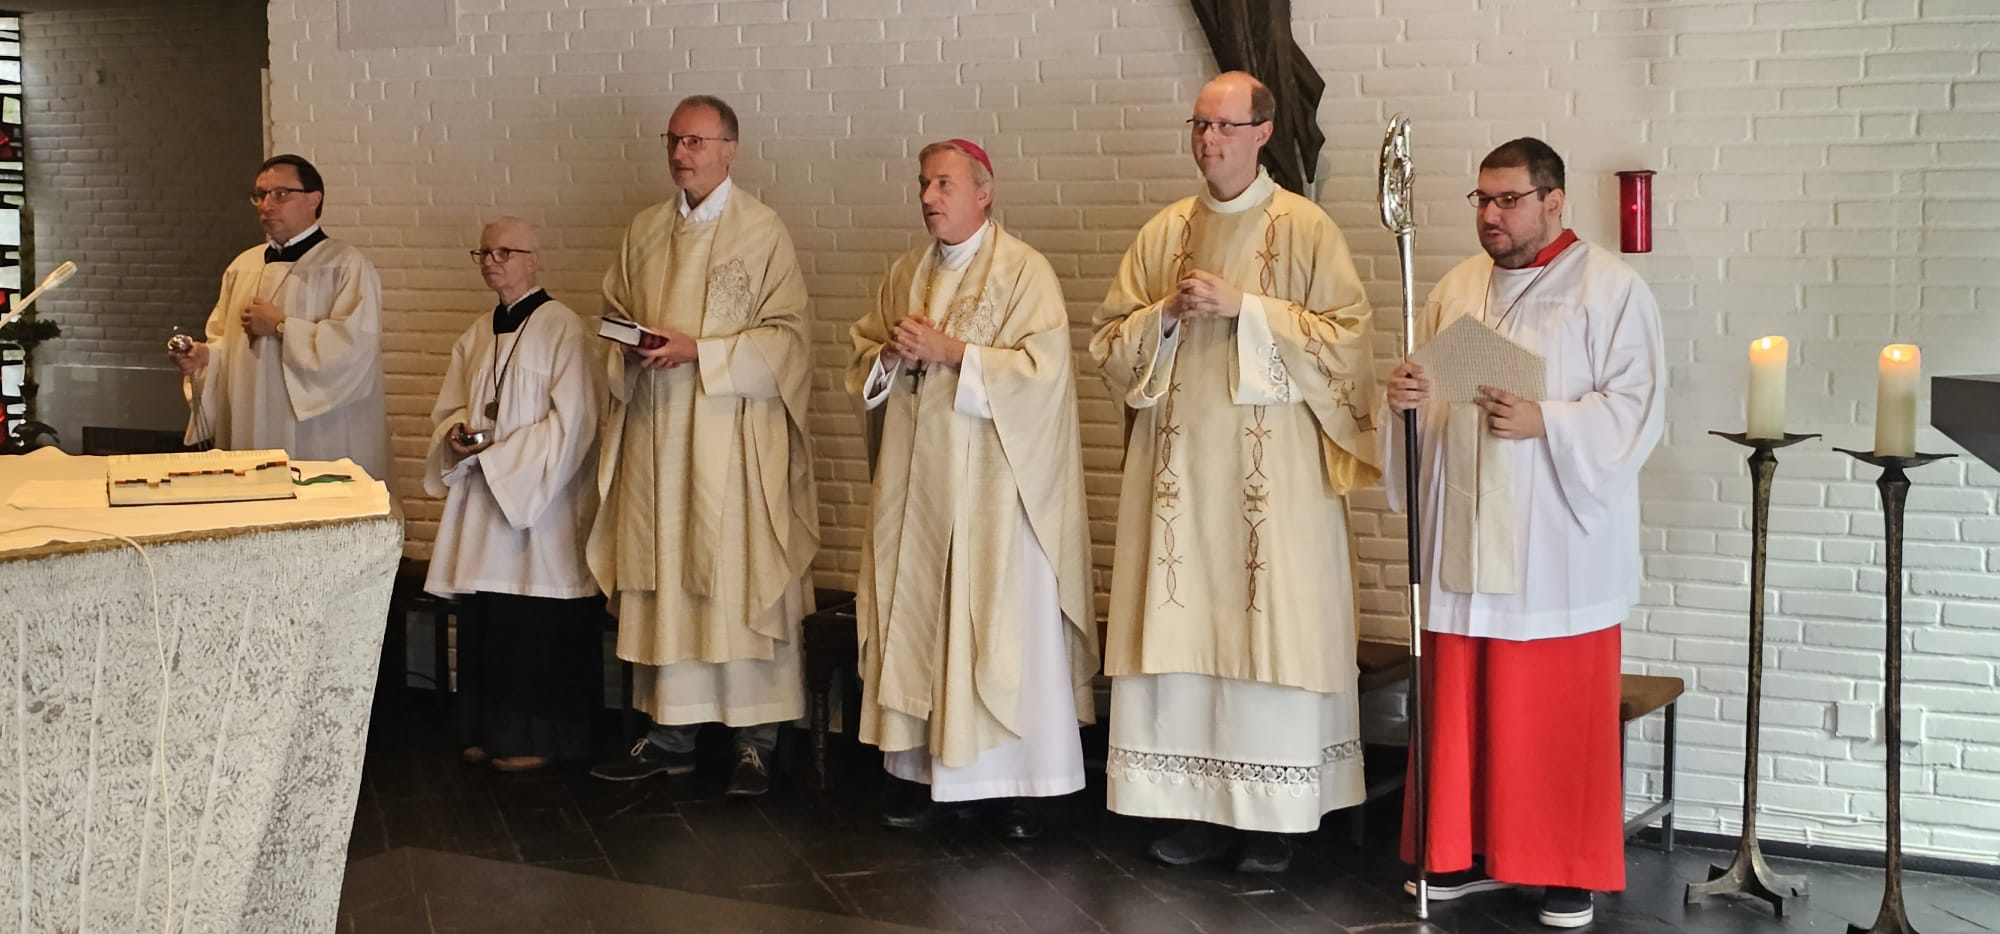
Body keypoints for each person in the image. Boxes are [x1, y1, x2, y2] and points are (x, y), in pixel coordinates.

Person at [1091, 72, 1381, 873]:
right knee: (1185, 626)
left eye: (1224, 126)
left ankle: (1273, 818)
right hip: (1180, 480)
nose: (1208, 140)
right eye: (1199, 125)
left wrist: (1247, 309)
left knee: (1266, 629)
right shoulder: (1165, 233)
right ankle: (1193, 806)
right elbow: (1107, 344)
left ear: (1262, 132)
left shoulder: (1306, 228)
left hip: (1272, 488)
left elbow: (1349, 341)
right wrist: (1165, 315)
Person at [1384, 137, 1665, 929]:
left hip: (1555, 546)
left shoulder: (1610, 289)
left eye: (1509, 200)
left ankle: (1562, 871)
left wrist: (1548, 421)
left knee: (1550, 713)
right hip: (1467, 536)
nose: (1492, 215)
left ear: (1553, 200)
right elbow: (1431, 404)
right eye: (1483, 199)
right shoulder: (1456, 288)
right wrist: (1405, 401)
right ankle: (1461, 852)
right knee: (1462, 701)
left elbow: (1639, 406)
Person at [847, 139, 1098, 840]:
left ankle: (1019, 788)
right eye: (924, 184)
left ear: (984, 194)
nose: (928, 197)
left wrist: (953, 353)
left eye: (944, 184)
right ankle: (929, 780)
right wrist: (889, 354)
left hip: (995, 494)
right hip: (917, 487)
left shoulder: (1024, 271)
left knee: (1002, 629)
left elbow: (1045, 375)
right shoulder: (907, 272)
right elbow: (864, 357)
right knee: (922, 623)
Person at [585, 95, 819, 798]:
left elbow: (789, 339)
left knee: (738, 577)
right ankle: (671, 736)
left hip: (733, 440)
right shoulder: (644, 231)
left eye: (695, 141)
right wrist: (630, 349)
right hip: (658, 436)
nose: (681, 153)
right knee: (668, 577)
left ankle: (756, 742)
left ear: (729, 149)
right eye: (674, 140)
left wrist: (701, 351)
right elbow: (614, 318)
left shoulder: (762, 231)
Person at [422, 217, 603, 772]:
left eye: (505, 252)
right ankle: (488, 730)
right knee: (491, 619)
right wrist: (456, 434)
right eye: (484, 252)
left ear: (534, 260)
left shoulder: (563, 328)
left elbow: (576, 422)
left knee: (533, 624)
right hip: (486, 501)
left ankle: (541, 738)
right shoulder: (478, 333)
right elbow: (450, 407)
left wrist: (501, 458)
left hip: (542, 508)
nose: (492, 262)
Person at [169, 154, 388, 481]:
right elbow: (226, 345)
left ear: (314, 199)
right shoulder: (243, 266)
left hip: (317, 431)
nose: (266, 205)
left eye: (281, 194)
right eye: (260, 195)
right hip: (250, 419)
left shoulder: (346, 265)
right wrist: (205, 357)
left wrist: (282, 326)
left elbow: (354, 350)